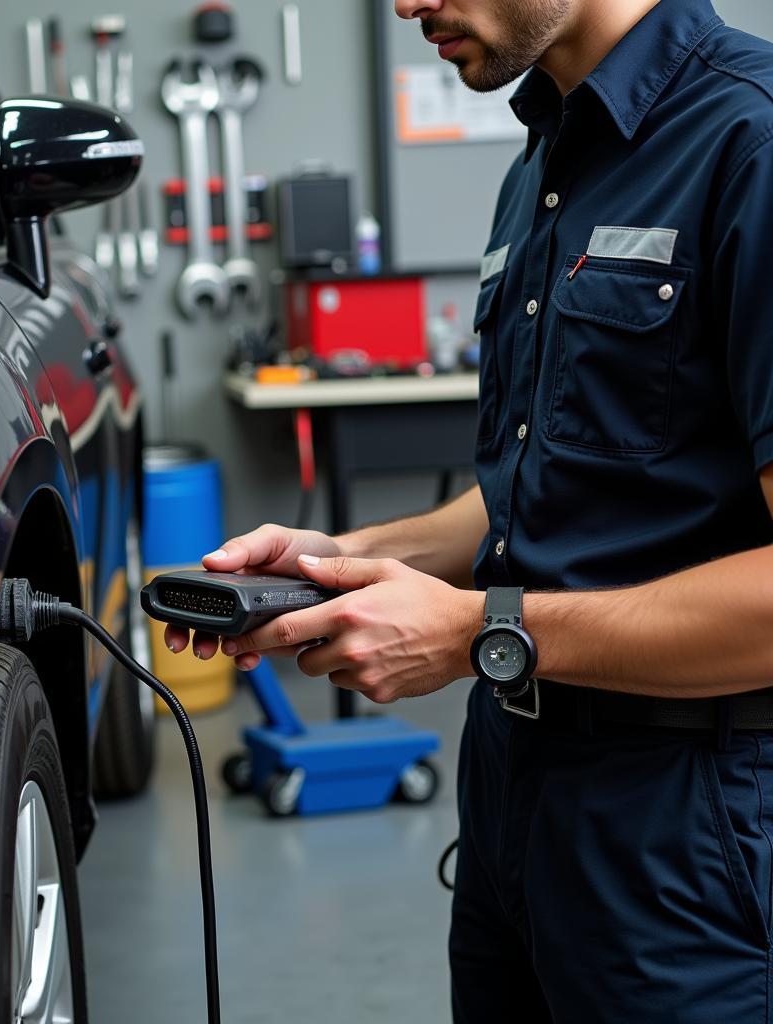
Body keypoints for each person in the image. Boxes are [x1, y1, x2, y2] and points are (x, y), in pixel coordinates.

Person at [167, 0, 773, 1019]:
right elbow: (528, 494)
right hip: (513, 798)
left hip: (687, 823)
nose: (406, 2)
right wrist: (338, 554)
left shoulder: (749, 142)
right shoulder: (538, 168)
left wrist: (480, 632)